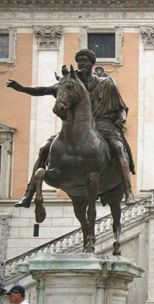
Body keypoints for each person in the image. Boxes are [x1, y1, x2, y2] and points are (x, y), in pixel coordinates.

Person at [6, 48, 136, 206]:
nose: (82, 63)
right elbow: (46, 90)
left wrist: (121, 119)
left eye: (85, 60)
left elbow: (122, 107)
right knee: (45, 149)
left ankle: (129, 191)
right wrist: (22, 88)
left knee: (118, 148)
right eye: (80, 60)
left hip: (103, 124)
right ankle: (29, 194)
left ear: (92, 63)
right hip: (79, 127)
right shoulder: (72, 82)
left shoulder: (106, 83)